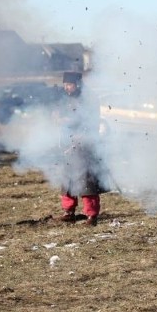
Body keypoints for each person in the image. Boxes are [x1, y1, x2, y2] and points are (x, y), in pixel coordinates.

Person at [55, 71, 103, 226]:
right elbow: (58, 116)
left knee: (86, 181)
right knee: (67, 179)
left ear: (78, 84)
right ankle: (69, 211)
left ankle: (91, 215)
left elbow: (92, 122)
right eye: (65, 85)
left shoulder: (88, 100)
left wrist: (80, 135)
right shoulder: (64, 100)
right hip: (67, 144)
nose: (67, 88)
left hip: (84, 145)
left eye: (69, 84)